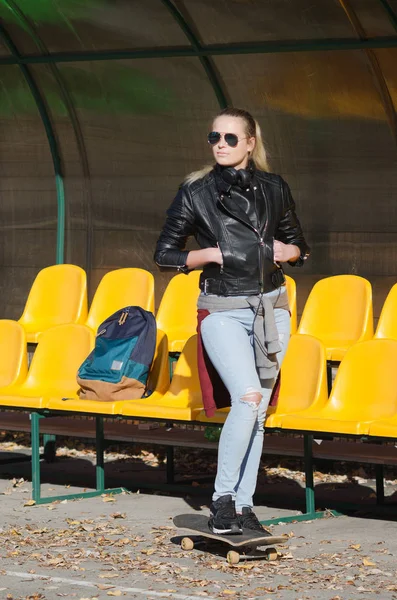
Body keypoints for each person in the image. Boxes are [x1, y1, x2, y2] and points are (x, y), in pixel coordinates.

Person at [154, 107, 310, 535]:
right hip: (222, 309)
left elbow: (299, 242)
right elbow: (165, 253)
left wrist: (290, 253)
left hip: (273, 309)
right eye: (214, 137)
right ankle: (222, 501)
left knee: (257, 415)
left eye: (229, 138)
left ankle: (245, 506)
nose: (220, 144)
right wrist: (207, 255)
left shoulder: (275, 187)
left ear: (250, 143)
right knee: (247, 400)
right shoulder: (195, 192)